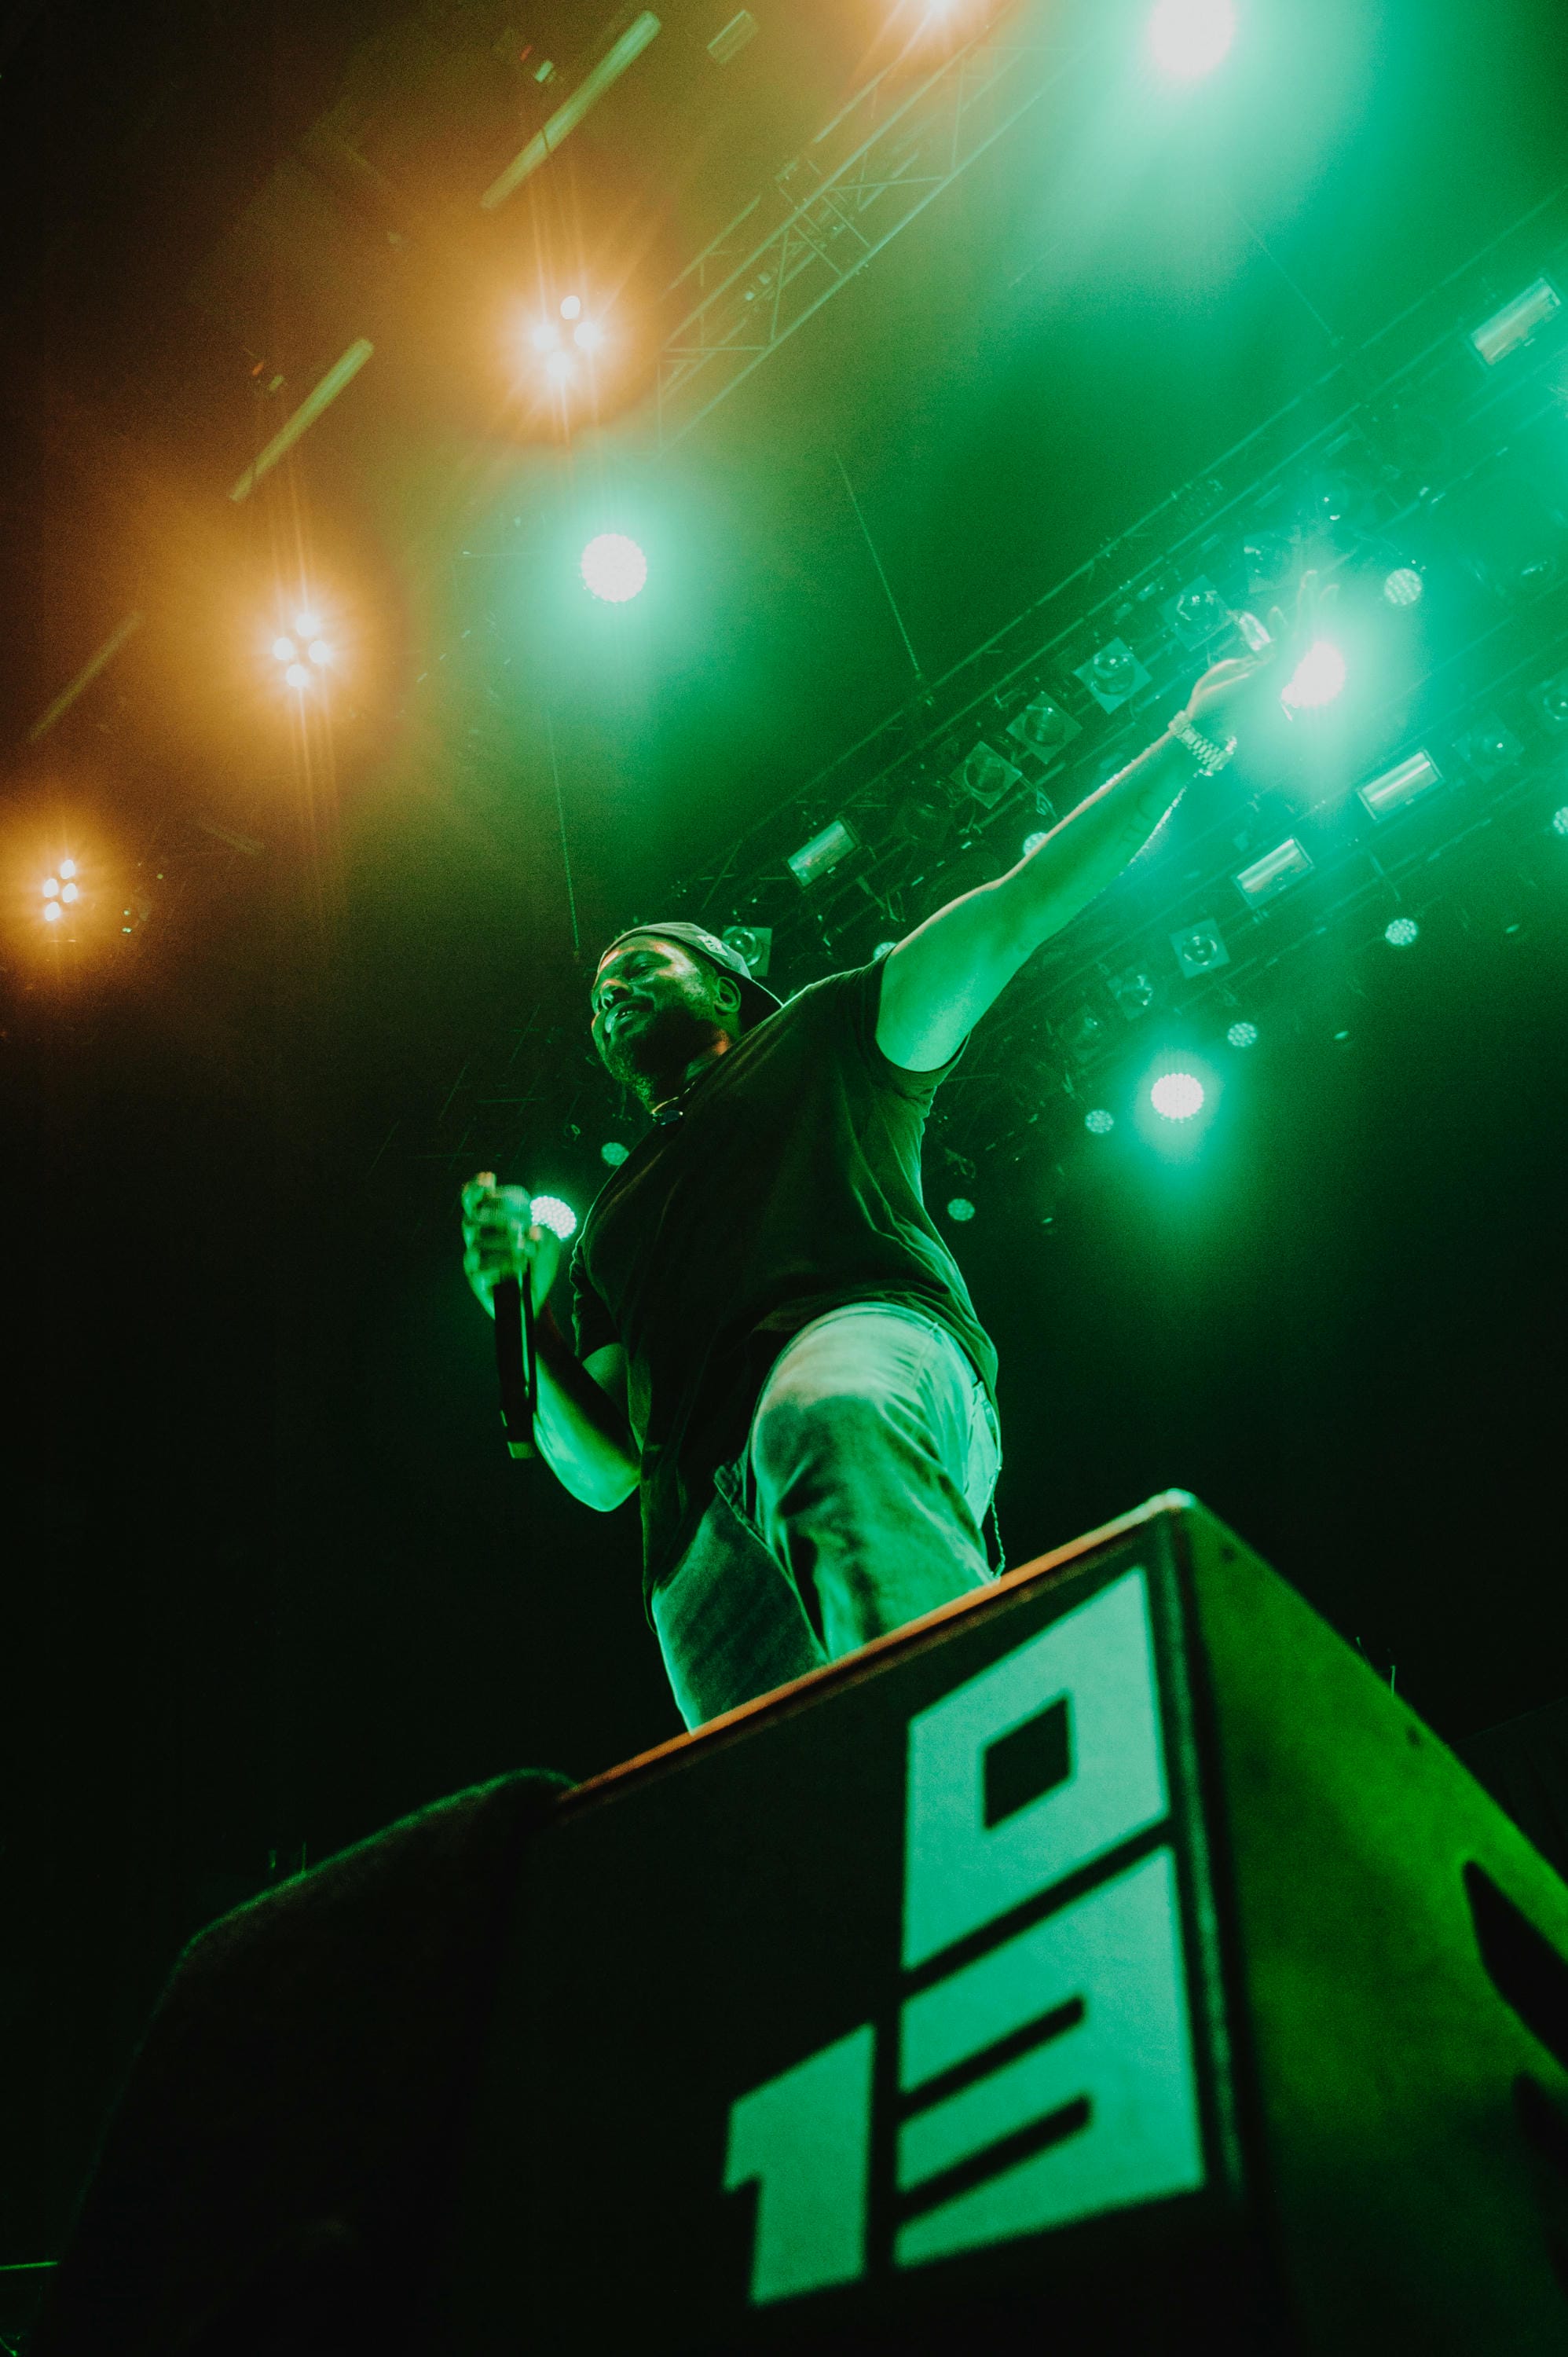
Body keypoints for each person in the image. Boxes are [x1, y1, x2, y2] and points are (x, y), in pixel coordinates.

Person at [463, 625, 1284, 1729]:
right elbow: (603, 1472)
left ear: (724, 985)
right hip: (695, 1539)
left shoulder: (827, 1033)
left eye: (640, 966)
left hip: (856, 1346)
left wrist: (1189, 743)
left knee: (822, 1419)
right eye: (599, 996)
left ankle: (999, 1771)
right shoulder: (609, 1223)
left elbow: (1021, 903)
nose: (610, 995)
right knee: (799, 1799)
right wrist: (516, 1311)